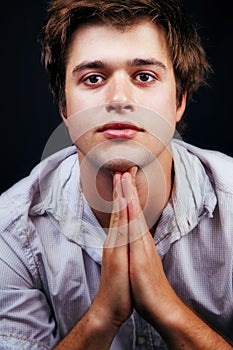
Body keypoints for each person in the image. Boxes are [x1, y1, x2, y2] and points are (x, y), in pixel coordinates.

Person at [0, 0, 233, 349]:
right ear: (64, 107)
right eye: (93, 78)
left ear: (180, 99)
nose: (120, 99)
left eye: (144, 76)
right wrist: (103, 315)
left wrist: (167, 308)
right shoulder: (12, 232)